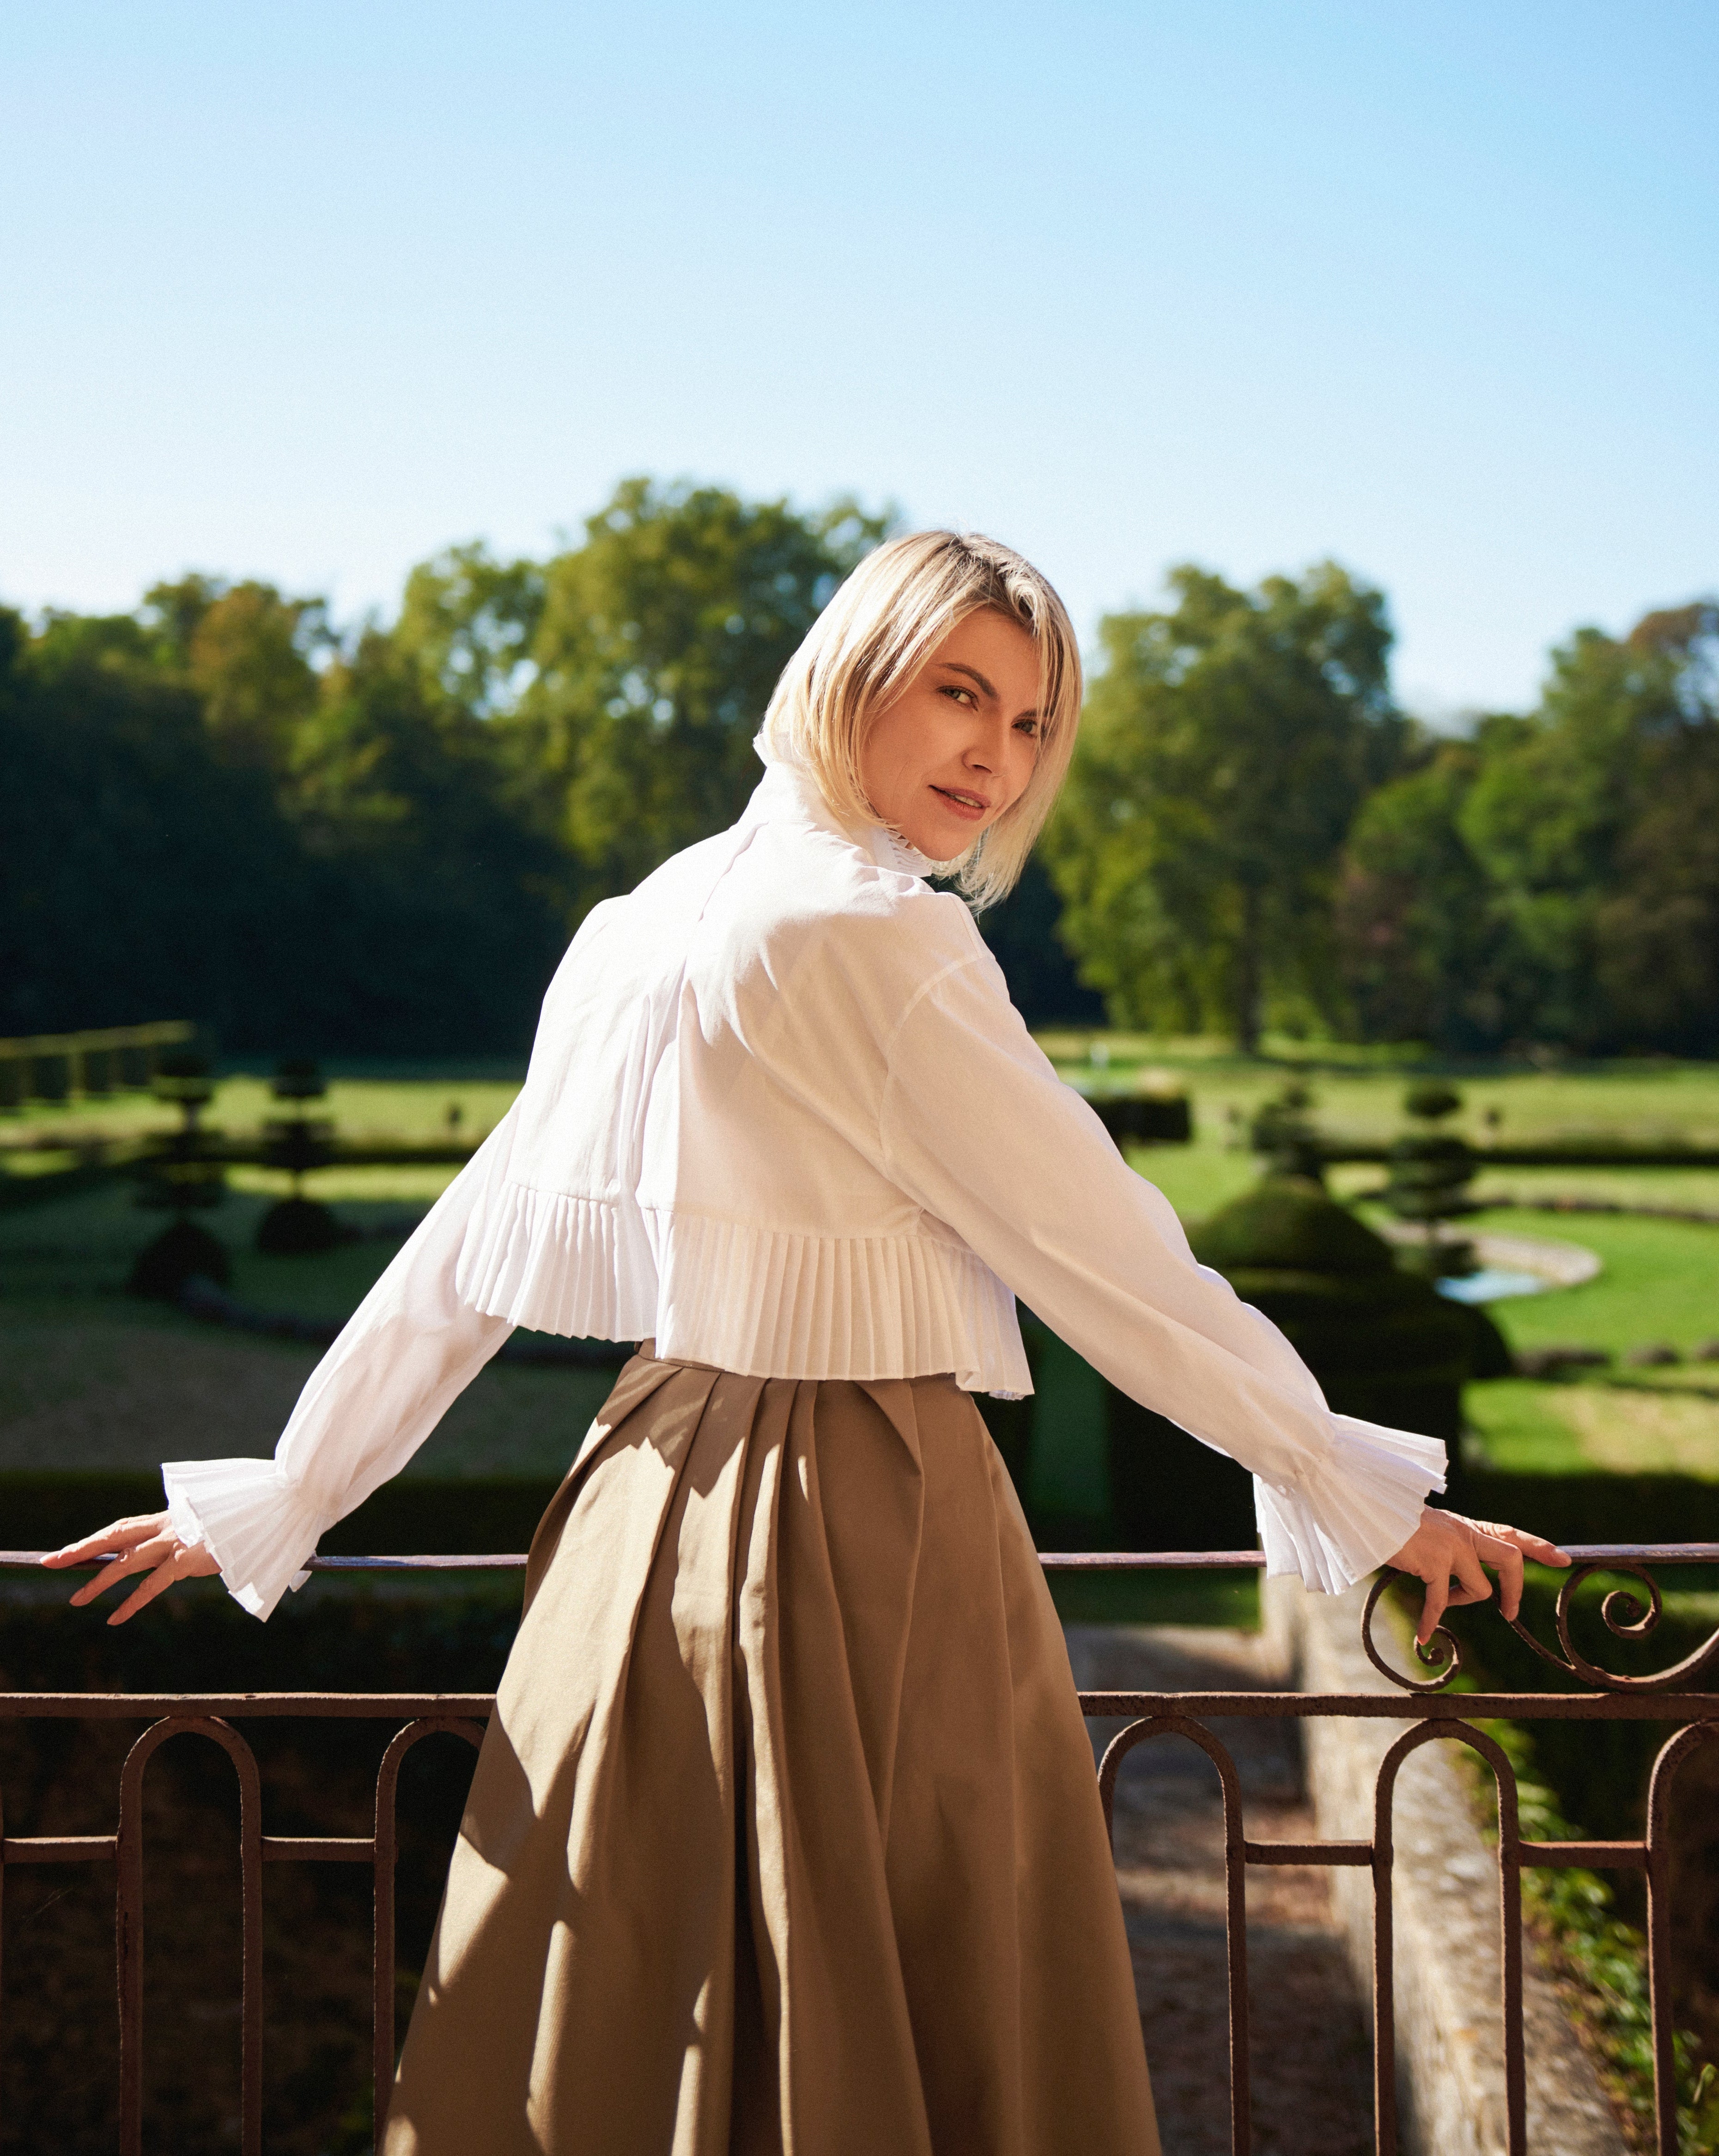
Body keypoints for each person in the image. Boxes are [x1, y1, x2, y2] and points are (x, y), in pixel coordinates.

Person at [49, 531, 1567, 2156]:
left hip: (639, 1517)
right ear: (852, 679)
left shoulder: (640, 919)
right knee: (907, 2002)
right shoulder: (875, 935)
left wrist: (291, 1486)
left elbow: (463, 1257)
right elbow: (1110, 1259)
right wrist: (1356, 1487)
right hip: (869, 1518)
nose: (996, 753)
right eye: (957, 693)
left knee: (639, 1996)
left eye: (1034, 721)